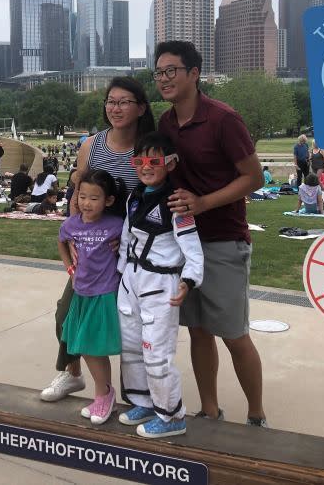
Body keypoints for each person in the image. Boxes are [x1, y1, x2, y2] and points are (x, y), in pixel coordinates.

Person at [155, 40, 267, 427]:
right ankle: (210, 409)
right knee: (198, 331)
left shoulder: (223, 119)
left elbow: (253, 178)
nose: (164, 79)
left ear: (194, 74)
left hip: (223, 241)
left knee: (234, 334)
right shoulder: (166, 123)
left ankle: (256, 415)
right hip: (182, 244)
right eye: (158, 73)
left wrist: (203, 203)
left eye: (171, 71)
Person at [40, 76, 155, 404]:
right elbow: (78, 193)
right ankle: (72, 373)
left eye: (124, 102)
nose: (115, 108)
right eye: (111, 102)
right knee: (68, 313)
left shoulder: (148, 147)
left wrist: (133, 239)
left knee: (129, 324)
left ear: (141, 107)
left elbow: (156, 196)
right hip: (93, 248)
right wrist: (75, 234)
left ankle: (135, 393)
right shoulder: (92, 144)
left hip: (133, 248)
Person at [117, 133, 204, 439]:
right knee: (130, 346)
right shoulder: (135, 196)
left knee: (156, 352)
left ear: (170, 163)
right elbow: (128, 237)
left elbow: (192, 248)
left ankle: (171, 416)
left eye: (154, 161)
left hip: (160, 283)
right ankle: (144, 401)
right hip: (131, 279)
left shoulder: (176, 202)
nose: (146, 166)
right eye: (139, 161)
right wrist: (120, 273)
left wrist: (189, 280)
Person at [58, 170, 124, 425]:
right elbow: (61, 241)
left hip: (103, 294)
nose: (86, 203)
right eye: (82, 196)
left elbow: (131, 246)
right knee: (85, 347)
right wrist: (70, 269)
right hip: (81, 294)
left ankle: (104, 395)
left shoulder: (116, 225)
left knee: (92, 348)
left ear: (108, 201)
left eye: (94, 198)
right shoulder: (71, 224)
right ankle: (104, 395)